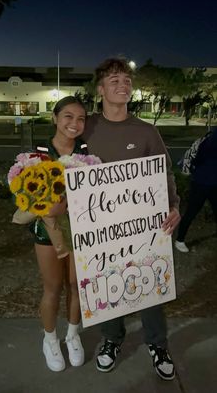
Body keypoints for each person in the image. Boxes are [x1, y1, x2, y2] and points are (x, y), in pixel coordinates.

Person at [82, 57, 180, 381]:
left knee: (150, 285)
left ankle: (157, 344)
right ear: (100, 89)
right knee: (108, 282)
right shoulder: (87, 129)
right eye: (114, 81)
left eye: (126, 80)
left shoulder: (146, 131)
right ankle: (112, 339)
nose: (123, 85)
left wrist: (174, 205)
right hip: (102, 229)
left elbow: (163, 174)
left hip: (143, 227)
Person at [31, 96, 87, 372]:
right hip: (48, 232)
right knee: (53, 287)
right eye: (68, 116)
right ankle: (50, 338)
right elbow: (27, 194)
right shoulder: (39, 151)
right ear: (55, 117)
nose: (74, 123)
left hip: (81, 230)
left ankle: (73, 335)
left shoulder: (87, 151)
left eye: (80, 118)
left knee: (76, 286)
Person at [175, 127, 217, 253]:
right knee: (191, 211)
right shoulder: (208, 140)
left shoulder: (209, 138)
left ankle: (180, 239)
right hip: (201, 183)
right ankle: (179, 240)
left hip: (213, 184)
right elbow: (194, 155)